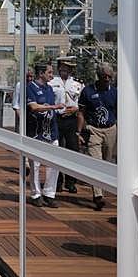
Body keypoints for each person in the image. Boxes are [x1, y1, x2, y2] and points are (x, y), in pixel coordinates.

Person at [78, 63, 118, 211]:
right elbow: (81, 112)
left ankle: (102, 187)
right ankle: (98, 195)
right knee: (96, 162)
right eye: (104, 76)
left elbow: (119, 112)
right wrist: (79, 131)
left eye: (109, 76)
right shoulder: (88, 91)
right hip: (94, 129)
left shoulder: (115, 92)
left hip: (111, 129)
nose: (107, 79)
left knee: (106, 163)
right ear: (99, 76)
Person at [26, 63, 65, 208]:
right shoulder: (30, 87)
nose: (51, 75)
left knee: (54, 164)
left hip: (51, 132)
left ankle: (49, 194)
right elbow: (34, 107)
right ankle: (36, 194)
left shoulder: (49, 88)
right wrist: (53, 107)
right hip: (36, 133)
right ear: (41, 73)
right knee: (35, 164)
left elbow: (53, 107)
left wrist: (60, 110)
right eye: (49, 72)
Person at [48, 56, 84, 194]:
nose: (66, 70)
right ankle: (57, 181)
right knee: (57, 150)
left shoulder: (77, 84)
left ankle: (71, 182)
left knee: (72, 151)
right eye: (63, 67)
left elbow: (81, 103)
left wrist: (76, 109)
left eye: (69, 68)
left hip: (71, 120)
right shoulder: (52, 82)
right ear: (59, 68)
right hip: (57, 118)